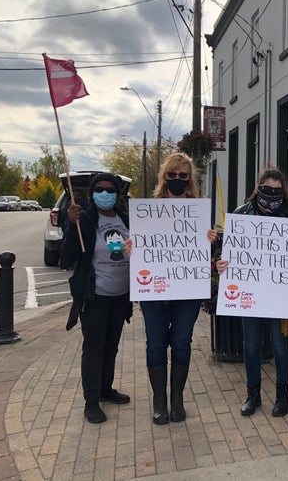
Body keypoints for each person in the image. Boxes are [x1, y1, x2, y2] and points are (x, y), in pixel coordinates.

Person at [124, 152, 218, 425]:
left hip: (186, 290)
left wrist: (209, 240)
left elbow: (201, 250)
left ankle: (177, 399)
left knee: (180, 343)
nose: (177, 179)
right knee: (155, 343)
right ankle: (158, 401)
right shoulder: (149, 210)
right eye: (172, 175)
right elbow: (141, 246)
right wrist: (132, 250)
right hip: (154, 289)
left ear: (190, 180)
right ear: (164, 177)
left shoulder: (197, 211)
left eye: (183, 176)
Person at [222, 167, 288, 418]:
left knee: (280, 344)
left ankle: (282, 395)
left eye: (277, 190)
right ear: (258, 187)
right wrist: (222, 264)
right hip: (249, 290)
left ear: (283, 191)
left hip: (277, 291)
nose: (271, 194)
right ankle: (253, 394)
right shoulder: (242, 214)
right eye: (266, 189)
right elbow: (229, 254)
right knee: (250, 346)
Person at [62, 173, 132, 424]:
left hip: (121, 295)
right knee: (94, 347)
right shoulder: (84, 219)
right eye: (100, 190)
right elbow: (67, 257)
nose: (105, 194)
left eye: (110, 190)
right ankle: (91, 401)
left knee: (111, 345)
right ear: (92, 194)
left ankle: (105, 389)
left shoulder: (126, 219)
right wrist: (71, 225)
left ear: (117, 194)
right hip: (95, 296)